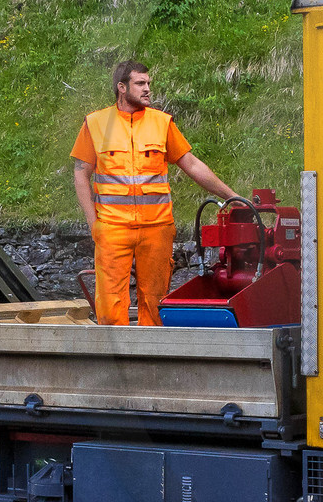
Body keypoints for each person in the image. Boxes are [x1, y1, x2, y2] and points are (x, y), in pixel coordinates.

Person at [71, 59, 239, 325]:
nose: (147, 88)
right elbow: (81, 174)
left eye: (148, 83)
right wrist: (95, 225)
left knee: (155, 304)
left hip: (157, 228)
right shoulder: (96, 123)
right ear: (121, 88)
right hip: (112, 228)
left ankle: (149, 352)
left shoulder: (162, 123)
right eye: (140, 83)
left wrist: (231, 197)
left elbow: (192, 164)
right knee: (110, 309)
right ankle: (115, 352)